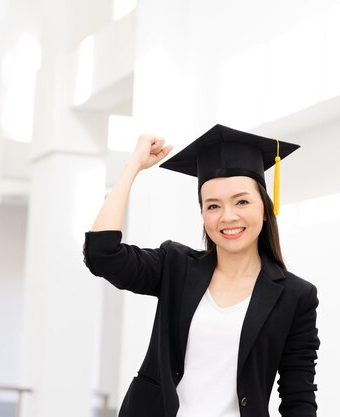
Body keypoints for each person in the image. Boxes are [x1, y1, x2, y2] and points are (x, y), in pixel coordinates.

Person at [83, 124, 320, 417]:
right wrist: (132, 167)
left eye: (242, 201)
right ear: (203, 214)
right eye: (213, 206)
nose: (228, 216)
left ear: (264, 206)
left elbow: (299, 399)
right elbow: (101, 254)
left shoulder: (296, 296)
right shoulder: (175, 266)